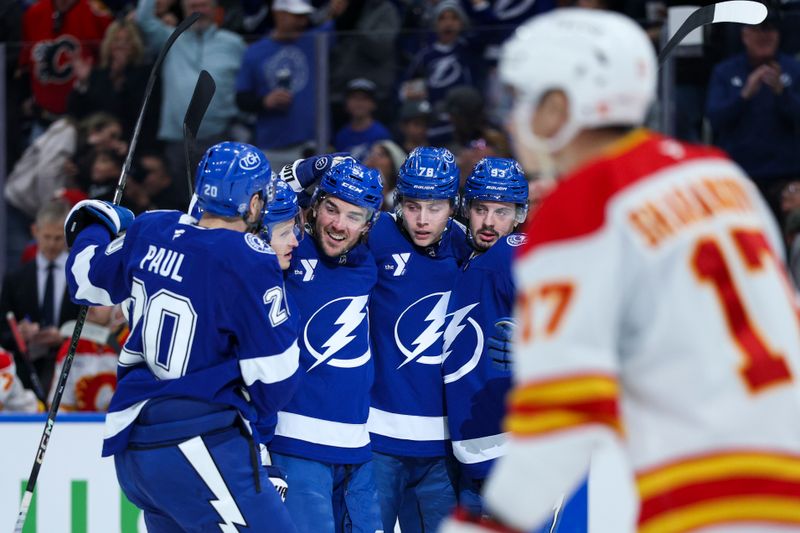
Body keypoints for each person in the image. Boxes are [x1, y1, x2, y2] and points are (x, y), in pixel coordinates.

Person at [443, 8, 800, 533]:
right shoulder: (718, 173)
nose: (512, 118)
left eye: (523, 99)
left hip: (697, 481)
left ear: (561, 107)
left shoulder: (581, 207)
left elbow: (557, 426)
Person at [64, 141, 300, 532]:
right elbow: (276, 379)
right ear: (255, 202)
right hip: (200, 442)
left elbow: (84, 282)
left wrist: (94, 224)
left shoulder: (150, 226)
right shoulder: (248, 255)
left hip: (135, 450)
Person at [269, 157, 384, 533]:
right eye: (331, 209)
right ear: (314, 207)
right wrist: (306, 168)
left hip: (359, 451)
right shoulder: (286, 249)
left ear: (369, 225)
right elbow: (243, 205)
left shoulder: (369, 260)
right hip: (295, 446)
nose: (338, 224)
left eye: (353, 216)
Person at [365, 146, 471, 532]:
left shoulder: (468, 245)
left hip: (442, 446)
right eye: (412, 206)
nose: (422, 220)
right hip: (377, 439)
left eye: (435, 207)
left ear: (453, 205)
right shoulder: (374, 233)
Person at [440, 157, 528, 510]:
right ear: (466, 208)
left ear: (519, 215)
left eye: (502, 212)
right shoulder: (467, 256)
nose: (489, 222)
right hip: (473, 451)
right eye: (481, 209)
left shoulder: (512, 253)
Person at [135, 0, 245, 198]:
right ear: (184, 9)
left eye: (203, 5)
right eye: (192, 6)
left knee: (219, 201)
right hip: (179, 141)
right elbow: (143, 19)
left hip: (220, 136)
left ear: (214, 8)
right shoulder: (171, 37)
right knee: (181, 201)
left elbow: (246, 86)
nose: (198, 11)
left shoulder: (233, 43)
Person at [706, 8, 800, 219]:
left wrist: (782, 94)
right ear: (745, 35)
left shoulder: (794, 70)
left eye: (770, 30)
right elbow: (716, 119)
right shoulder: (725, 72)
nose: (764, 36)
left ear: (778, 35)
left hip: (786, 176)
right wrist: (744, 95)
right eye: (758, 30)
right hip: (739, 175)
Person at [0, 200, 80, 394]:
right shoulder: (15, 279)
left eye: (58, 238)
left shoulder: (81, 276)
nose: (52, 244)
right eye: (47, 237)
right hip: (26, 375)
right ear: (35, 231)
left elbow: (94, 324)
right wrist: (20, 333)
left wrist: (63, 337)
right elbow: (3, 332)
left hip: (73, 372)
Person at [333, 78, 392, 162]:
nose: (359, 103)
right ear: (346, 103)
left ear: (373, 104)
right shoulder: (341, 135)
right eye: (354, 98)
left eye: (364, 98)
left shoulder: (382, 134)